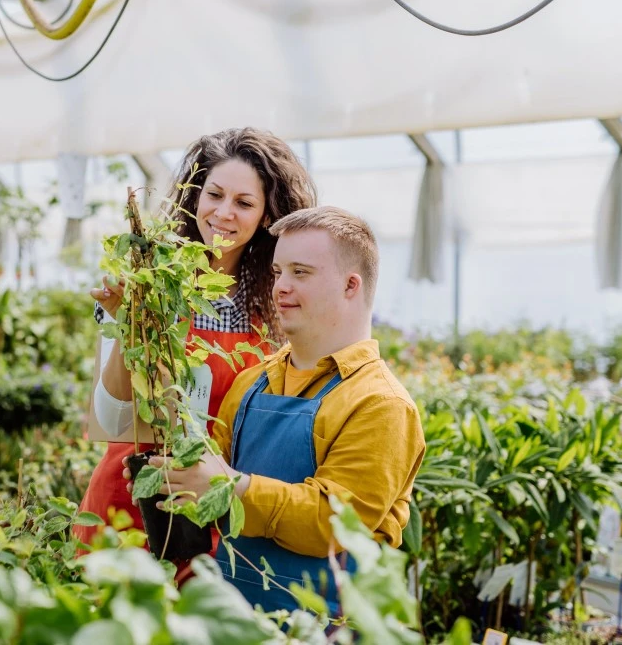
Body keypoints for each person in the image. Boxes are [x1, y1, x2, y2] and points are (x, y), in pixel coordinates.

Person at [132, 206, 426, 614]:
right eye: (277, 272)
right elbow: (208, 477)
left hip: (326, 627)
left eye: (300, 273)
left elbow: (335, 522)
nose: (280, 288)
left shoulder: (380, 404)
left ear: (350, 285)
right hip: (234, 618)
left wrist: (229, 487)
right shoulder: (252, 381)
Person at [74, 128, 317, 551]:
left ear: (266, 216)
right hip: (126, 503)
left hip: (212, 517)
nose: (224, 212)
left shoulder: (275, 313)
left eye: (244, 203)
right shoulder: (148, 284)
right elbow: (112, 420)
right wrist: (133, 321)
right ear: (195, 198)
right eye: (215, 195)